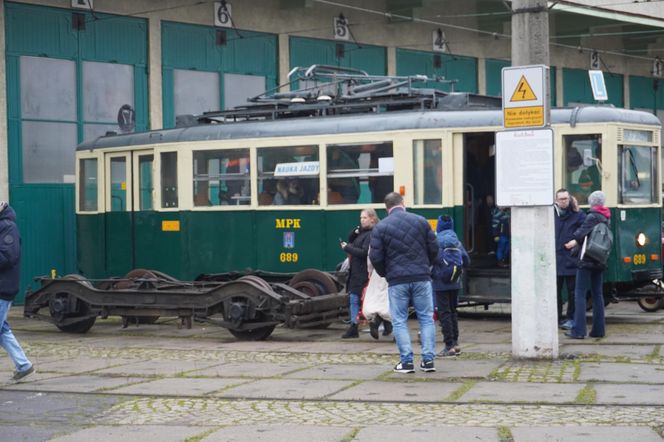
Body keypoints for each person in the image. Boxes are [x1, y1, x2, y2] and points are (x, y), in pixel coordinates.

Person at [369, 192, 439, 373]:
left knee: (399, 320)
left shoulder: (381, 227)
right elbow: (434, 248)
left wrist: (387, 273)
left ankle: (406, 362)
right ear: (403, 203)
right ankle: (428, 360)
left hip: (397, 280)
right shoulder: (421, 221)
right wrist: (426, 267)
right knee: (426, 318)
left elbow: (375, 257)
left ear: (387, 208)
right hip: (422, 278)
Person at [564, 190, 610, 339]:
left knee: (580, 294)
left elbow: (579, 234)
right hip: (600, 259)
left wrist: (574, 239)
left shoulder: (592, 217)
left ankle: (579, 331)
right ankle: (598, 330)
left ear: (591, 202)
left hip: (587, 259)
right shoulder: (606, 217)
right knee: (598, 294)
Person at [0, 202, 34, 381]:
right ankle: (23, 364)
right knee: (2, 330)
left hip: (2, 288)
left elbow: (8, 257)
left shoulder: (7, 227)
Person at [432, 215, 470, 357]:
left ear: (439, 226)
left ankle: (449, 346)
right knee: (453, 311)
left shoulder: (436, 241)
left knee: (444, 313)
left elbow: (432, 260)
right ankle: (455, 343)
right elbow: (466, 261)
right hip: (455, 282)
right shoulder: (456, 241)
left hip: (440, 283)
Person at [340, 209, 378, 338]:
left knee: (365, 300)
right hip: (357, 271)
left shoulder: (371, 234)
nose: (362, 220)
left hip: (364, 272)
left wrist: (347, 248)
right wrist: (356, 230)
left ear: (372, 219)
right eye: (361, 218)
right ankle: (354, 325)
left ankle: (372, 323)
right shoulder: (362, 233)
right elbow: (351, 238)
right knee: (354, 299)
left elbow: (363, 253)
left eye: (365, 218)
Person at [554, 189, 586, 330]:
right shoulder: (551, 215)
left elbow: (586, 230)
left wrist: (576, 241)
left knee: (573, 292)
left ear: (569, 199)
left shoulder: (578, 215)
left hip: (571, 259)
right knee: (555, 292)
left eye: (566, 198)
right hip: (555, 260)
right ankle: (556, 317)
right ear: (556, 200)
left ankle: (570, 318)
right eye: (561, 199)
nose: (564, 201)